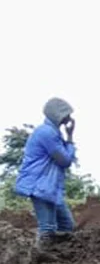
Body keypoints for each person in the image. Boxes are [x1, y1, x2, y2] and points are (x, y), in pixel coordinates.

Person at [14, 98, 77, 250]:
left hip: (50, 187)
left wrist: (67, 137)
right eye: (67, 114)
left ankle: (59, 257)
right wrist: (70, 137)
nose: (70, 118)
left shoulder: (52, 133)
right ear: (59, 115)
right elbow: (65, 160)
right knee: (47, 228)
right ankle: (40, 259)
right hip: (40, 186)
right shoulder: (46, 133)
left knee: (67, 225)